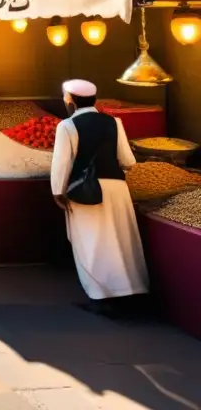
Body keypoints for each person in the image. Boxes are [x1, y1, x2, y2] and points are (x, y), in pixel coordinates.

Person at [51, 79, 148, 316]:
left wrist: (57, 191)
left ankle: (101, 296)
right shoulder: (114, 122)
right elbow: (128, 161)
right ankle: (131, 291)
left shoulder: (67, 126)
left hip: (87, 190)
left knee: (92, 242)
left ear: (71, 100)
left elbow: (62, 163)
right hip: (117, 188)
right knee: (122, 240)